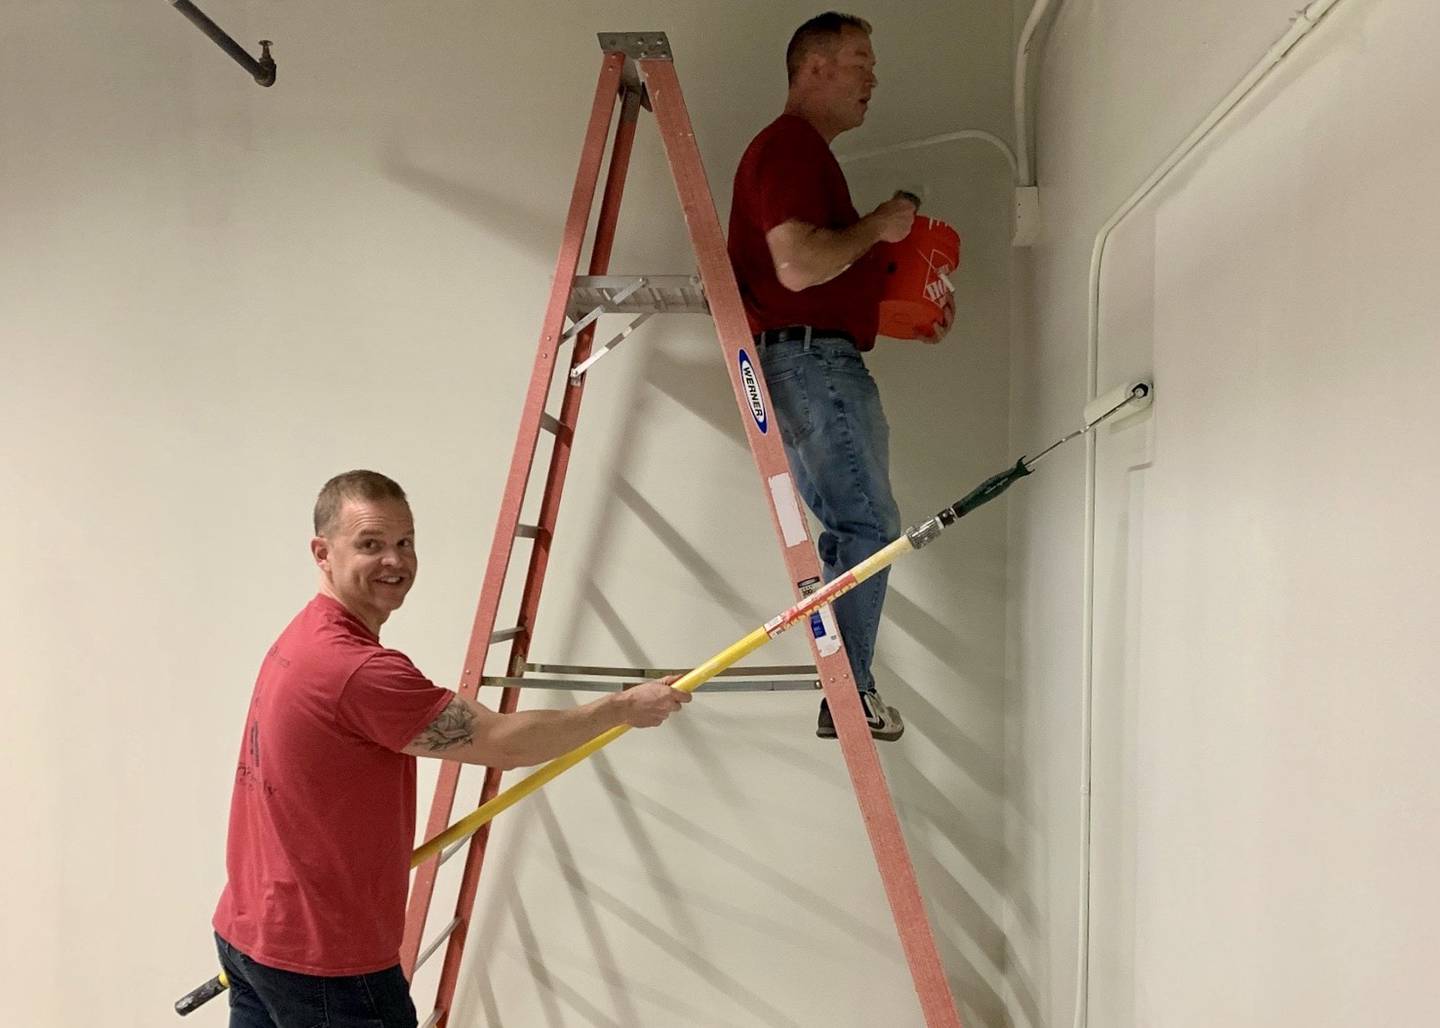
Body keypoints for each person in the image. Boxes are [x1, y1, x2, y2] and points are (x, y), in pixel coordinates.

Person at [211, 470, 688, 1028]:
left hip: (253, 934)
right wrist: (622, 710)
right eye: (370, 545)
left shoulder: (303, 639)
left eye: (404, 542)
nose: (395, 561)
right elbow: (503, 744)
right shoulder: (358, 671)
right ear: (323, 552)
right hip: (327, 965)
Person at [728, 12, 955, 742]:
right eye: (861, 61)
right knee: (869, 525)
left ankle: (845, 686)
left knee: (851, 528)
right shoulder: (790, 146)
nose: (873, 78)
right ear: (814, 67)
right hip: (811, 358)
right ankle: (848, 694)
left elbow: (814, 273)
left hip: (810, 355)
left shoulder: (800, 154)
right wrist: (883, 226)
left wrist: (899, 307)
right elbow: (798, 265)